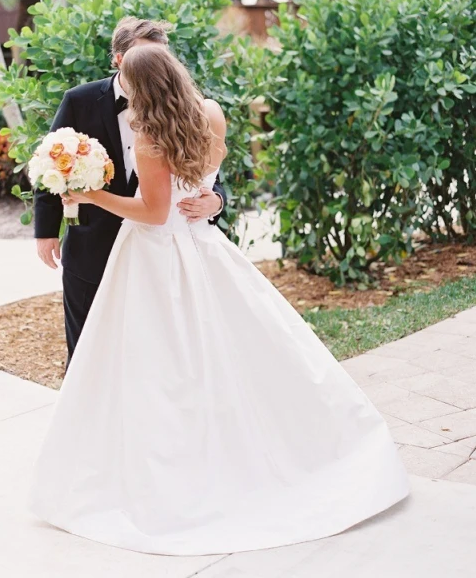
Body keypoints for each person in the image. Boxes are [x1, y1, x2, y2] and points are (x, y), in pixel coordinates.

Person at [30, 44, 410, 556]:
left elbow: (153, 212)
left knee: (159, 365)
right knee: (227, 350)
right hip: (202, 247)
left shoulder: (148, 136)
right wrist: (209, 201)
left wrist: (91, 196)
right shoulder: (208, 114)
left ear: (138, 84)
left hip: (156, 256)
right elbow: (200, 182)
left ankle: (164, 467)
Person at [34, 17, 226, 364]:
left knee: (157, 348)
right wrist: (45, 232)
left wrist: (217, 200)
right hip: (94, 243)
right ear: (119, 59)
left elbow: (205, 171)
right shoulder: (80, 100)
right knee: (89, 348)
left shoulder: (189, 111)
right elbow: (52, 159)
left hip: (157, 245)